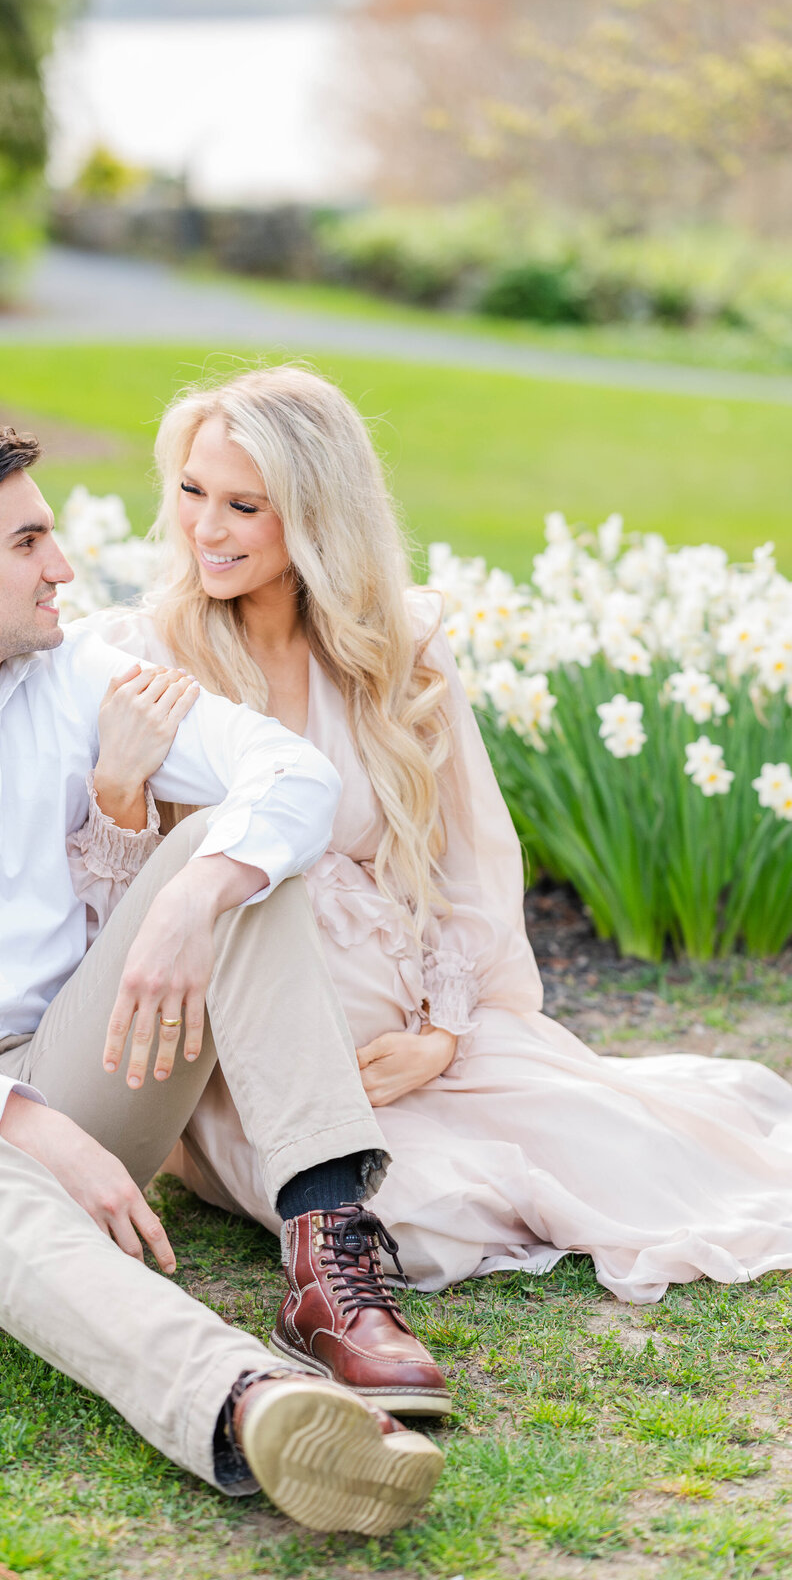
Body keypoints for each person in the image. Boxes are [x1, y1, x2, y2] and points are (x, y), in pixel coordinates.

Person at [0, 418, 448, 1538]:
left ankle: (327, 1252)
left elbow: (292, 776)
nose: (63, 567)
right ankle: (245, 1400)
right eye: (27, 543)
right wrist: (22, 1122)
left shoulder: (77, 678)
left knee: (236, 854)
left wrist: (186, 894)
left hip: (75, 1074)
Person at [75, 366, 792, 1308]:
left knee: (631, 1150)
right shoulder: (140, 655)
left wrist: (444, 1035)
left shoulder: (398, 648)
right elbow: (112, 922)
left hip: (406, 1028)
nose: (205, 528)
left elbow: (467, 861)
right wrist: (118, 783)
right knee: (423, 1216)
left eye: (244, 505)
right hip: (249, 1061)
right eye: (191, 491)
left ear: (316, 512)